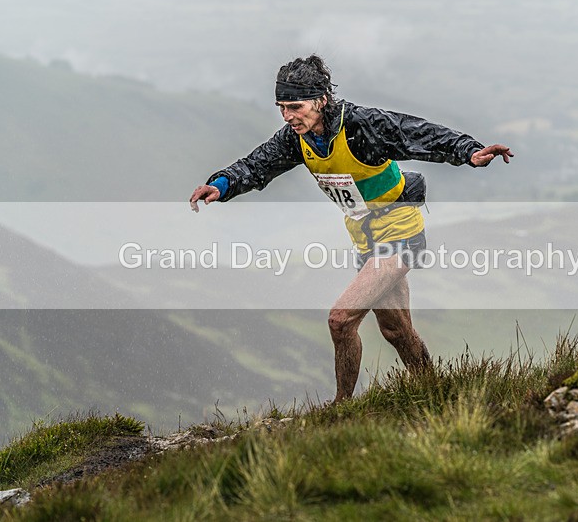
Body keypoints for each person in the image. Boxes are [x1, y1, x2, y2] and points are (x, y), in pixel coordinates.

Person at [190, 55, 512, 402]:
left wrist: (469, 151)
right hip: (366, 240)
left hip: (400, 233)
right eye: (281, 107)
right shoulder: (296, 138)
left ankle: (340, 408)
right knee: (396, 330)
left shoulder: (360, 125)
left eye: (294, 106)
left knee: (341, 320)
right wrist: (221, 185)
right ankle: (436, 396)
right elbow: (258, 165)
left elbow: (418, 132)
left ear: (321, 100)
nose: (287, 116)